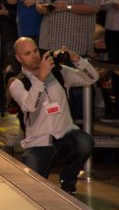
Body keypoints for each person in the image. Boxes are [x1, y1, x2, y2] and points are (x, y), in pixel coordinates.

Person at [9, 37, 97, 195]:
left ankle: (68, 181)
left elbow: (92, 78)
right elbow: (30, 106)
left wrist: (76, 59)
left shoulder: (59, 72)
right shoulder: (17, 84)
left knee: (84, 142)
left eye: (35, 51)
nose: (34, 56)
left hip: (66, 134)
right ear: (18, 58)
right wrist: (41, 78)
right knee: (32, 189)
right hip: (39, 141)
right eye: (27, 53)